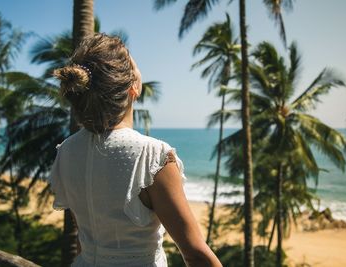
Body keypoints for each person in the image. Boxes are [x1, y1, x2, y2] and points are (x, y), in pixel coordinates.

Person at [48, 33, 222, 267]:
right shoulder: (152, 157)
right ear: (134, 87)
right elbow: (196, 255)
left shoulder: (67, 151)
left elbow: (85, 238)